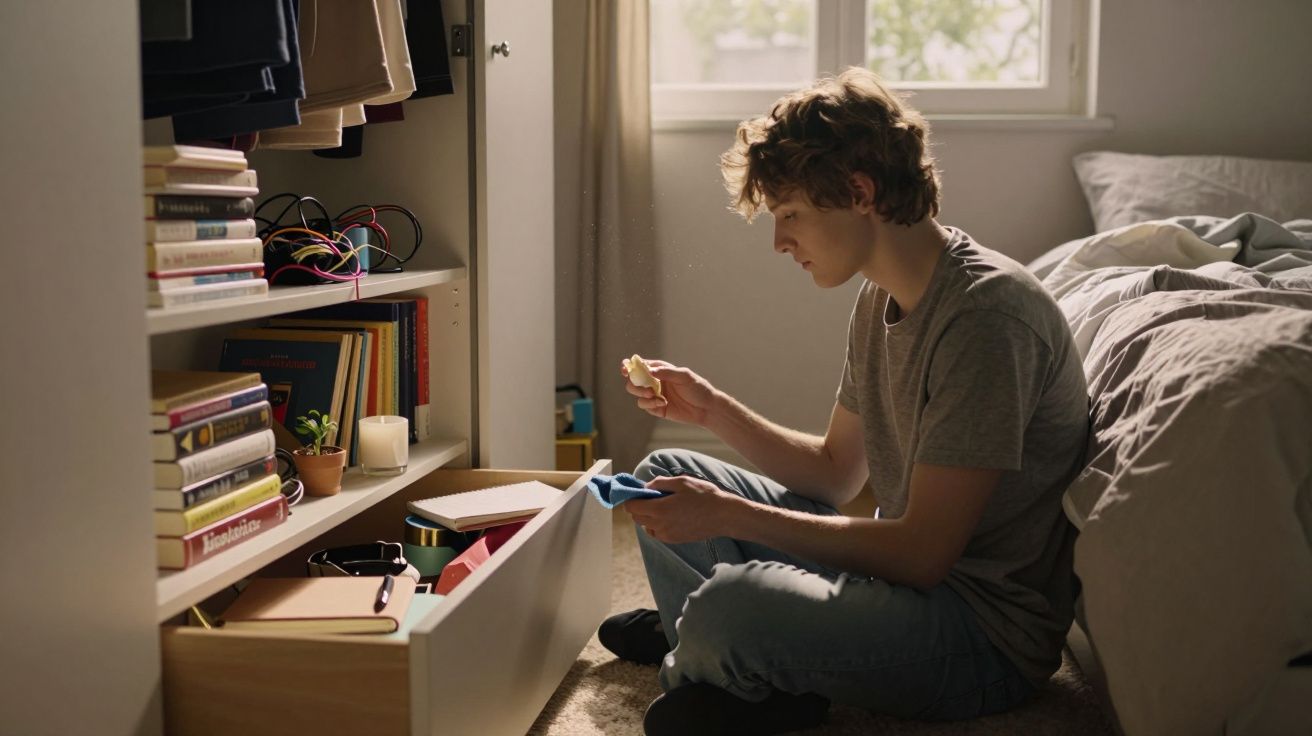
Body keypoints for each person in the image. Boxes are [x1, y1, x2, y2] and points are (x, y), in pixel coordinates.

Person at [598, 67, 1091, 736]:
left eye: (790, 214)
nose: (779, 242)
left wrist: (731, 516)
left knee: (733, 603)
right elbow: (836, 471)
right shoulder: (878, 296)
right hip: (900, 592)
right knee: (662, 482)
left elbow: (922, 554)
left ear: (860, 192)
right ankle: (731, 657)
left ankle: (716, 646)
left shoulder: (986, 318)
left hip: (977, 634)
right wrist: (709, 408)